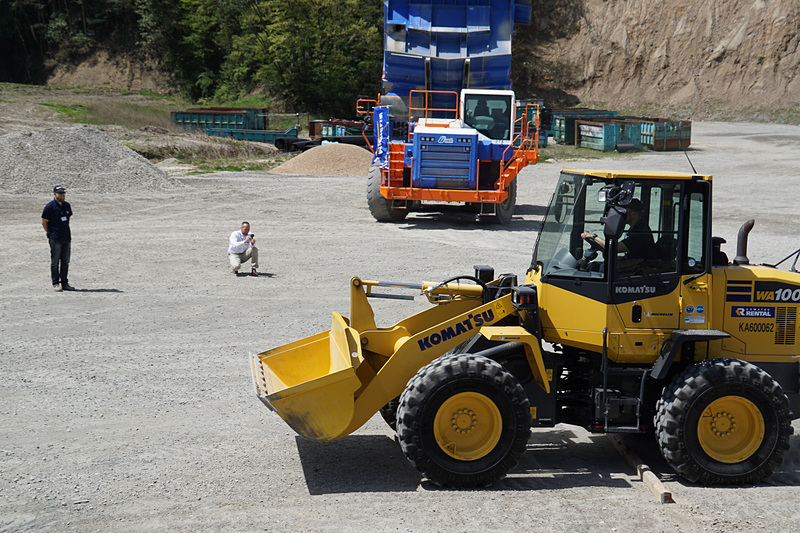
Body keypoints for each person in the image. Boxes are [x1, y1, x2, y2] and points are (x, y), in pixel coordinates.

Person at [581, 198, 657, 259]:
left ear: (633, 213)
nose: (621, 215)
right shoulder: (636, 228)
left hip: (637, 269)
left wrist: (593, 237)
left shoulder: (639, 233)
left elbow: (613, 248)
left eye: (624, 212)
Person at [42, 185, 75, 292]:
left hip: (66, 237)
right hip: (55, 238)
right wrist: (50, 233)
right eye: (60, 193)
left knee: (65, 261)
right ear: (54, 194)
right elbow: (44, 222)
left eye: (63, 193)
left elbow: (68, 218)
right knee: (55, 261)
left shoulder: (67, 205)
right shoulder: (50, 206)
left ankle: (64, 283)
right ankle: (55, 283)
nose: (62, 195)